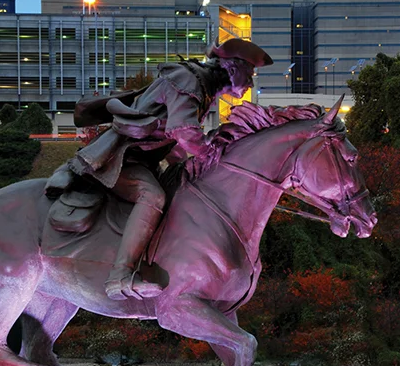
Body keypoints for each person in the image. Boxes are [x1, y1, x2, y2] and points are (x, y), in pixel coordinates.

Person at [45, 38, 274, 300]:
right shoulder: (189, 80)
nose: (251, 83)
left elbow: (168, 137)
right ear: (232, 68)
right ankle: (121, 275)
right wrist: (211, 155)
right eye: (250, 74)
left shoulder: (201, 86)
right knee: (152, 196)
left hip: (142, 160)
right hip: (122, 159)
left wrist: (187, 166)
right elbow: (183, 131)